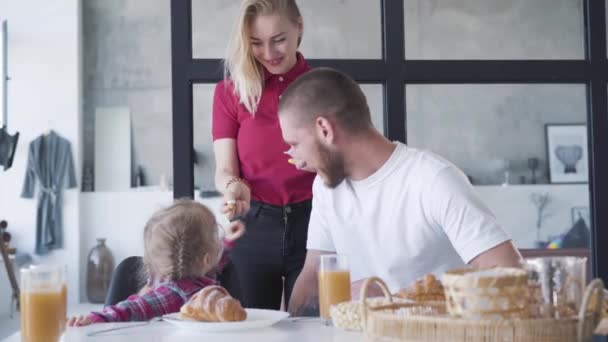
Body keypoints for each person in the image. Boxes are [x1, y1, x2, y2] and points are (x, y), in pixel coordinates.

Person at [277, 68, 523, 316]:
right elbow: (312, 279)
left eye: (294, 144)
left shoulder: (433, 179)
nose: (295, 161)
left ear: (325, 130)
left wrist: (396, 302)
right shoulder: (326, 187)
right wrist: (288, 329)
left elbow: (508, 273)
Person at [212, 0, 313, 310]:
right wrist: (233, 186)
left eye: (279, 39)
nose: (269, 53)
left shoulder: (323, 87)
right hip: (252, 226)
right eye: (256, 43)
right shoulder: (229, 92)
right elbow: (224, 169)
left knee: (317, 327)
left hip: (315, 223)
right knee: (250, 330)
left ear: (299, 27)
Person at [67, 199, 244, 326]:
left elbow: (216, 261)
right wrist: (94, 319)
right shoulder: (173, 295)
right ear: (206, 259)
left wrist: (227, 241)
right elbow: (129, 309)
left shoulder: (195, 278)